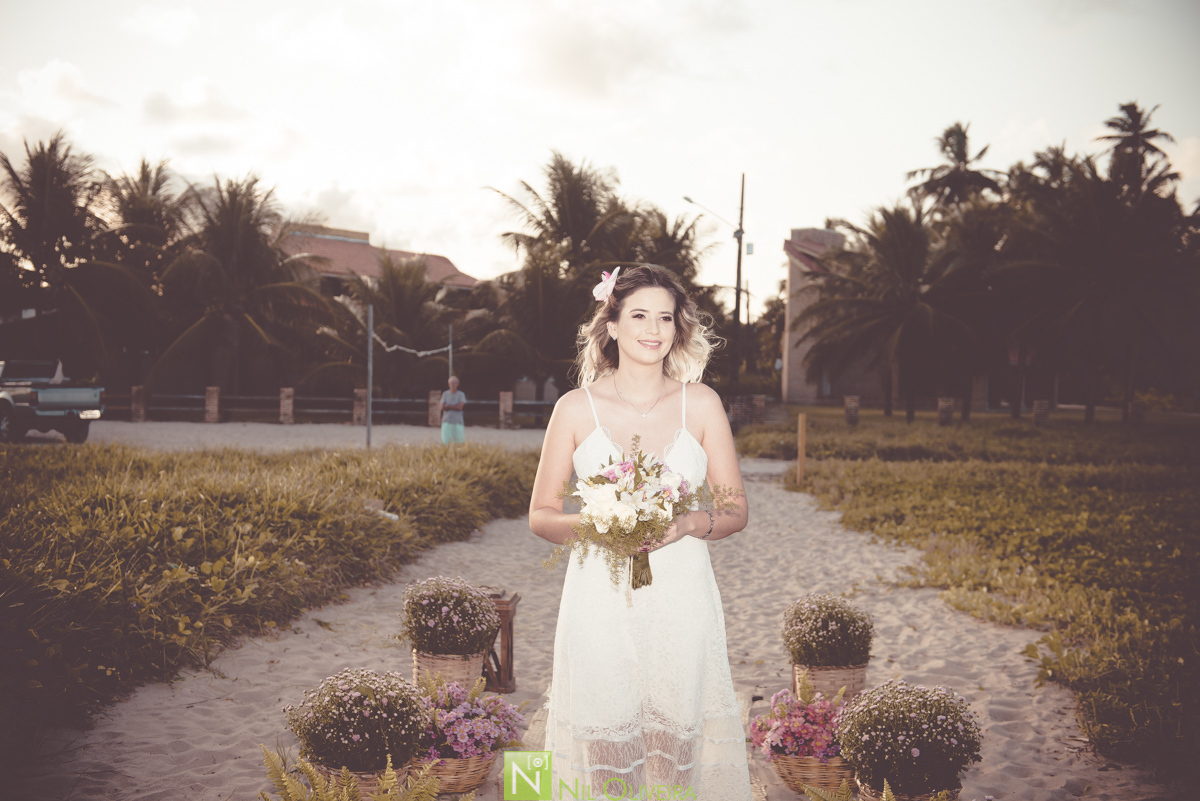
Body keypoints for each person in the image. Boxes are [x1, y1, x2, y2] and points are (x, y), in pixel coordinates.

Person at [529, 265, 753, 800]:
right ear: (611, 325)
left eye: (665, 318)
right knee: (608, 762)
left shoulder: (700, 403)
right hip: (597, 600)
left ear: (678, 329)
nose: (653, 329)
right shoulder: (574, 409)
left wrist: (690, 522)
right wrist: (600, 524)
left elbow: (734, 510)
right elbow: (541, 514)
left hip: (681, 596)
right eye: (638, 315)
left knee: (676, 756)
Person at [440, 375, 466, 444]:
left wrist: (448, 406)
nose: (453, 385)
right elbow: (442, 407)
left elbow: (459, 407)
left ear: (457, 384)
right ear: (449, 384)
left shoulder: (461, 394)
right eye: (451, 383)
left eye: (455, 383)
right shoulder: (445, 394)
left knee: (459, 442)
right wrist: (454, 406)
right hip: (446, 421)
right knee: (445, 442)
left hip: (458, 421)